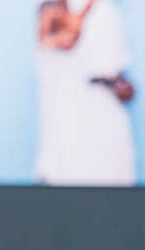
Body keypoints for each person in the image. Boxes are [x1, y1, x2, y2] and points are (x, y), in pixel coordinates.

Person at [34, 0, 137, 186]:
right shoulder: (53, 6)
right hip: (71, 122)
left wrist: (121, 86)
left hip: (108, 123)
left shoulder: (109, 11)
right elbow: (64, 38)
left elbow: (116, 71)